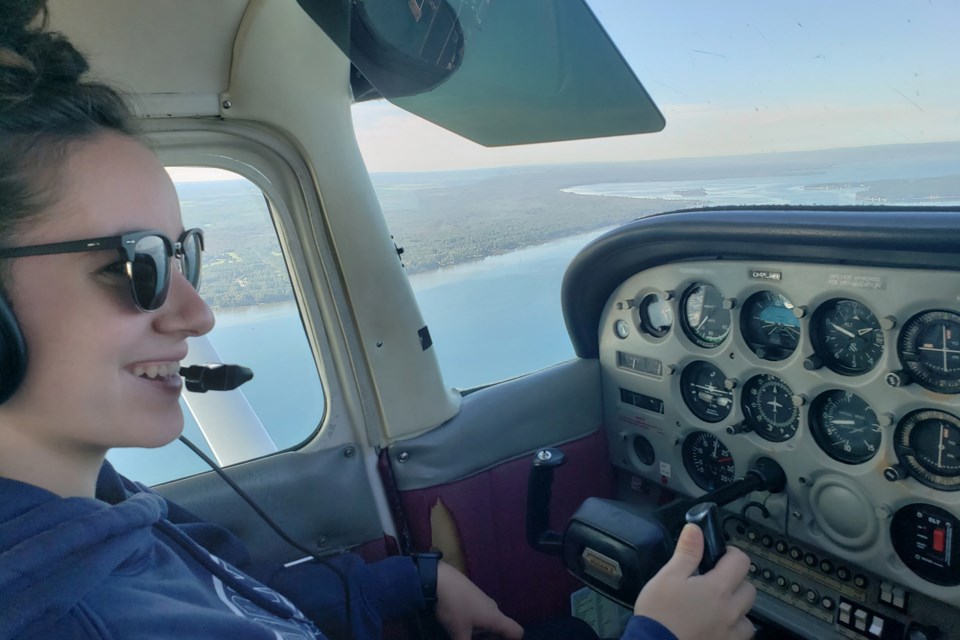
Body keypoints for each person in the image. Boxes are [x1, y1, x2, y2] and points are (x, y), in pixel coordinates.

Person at [0, 1, 755, 638]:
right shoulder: (67, 612)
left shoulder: (90, 505)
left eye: (182, 257)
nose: (197, 313)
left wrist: (407, 586)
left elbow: (240, 599)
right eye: (136, 266)